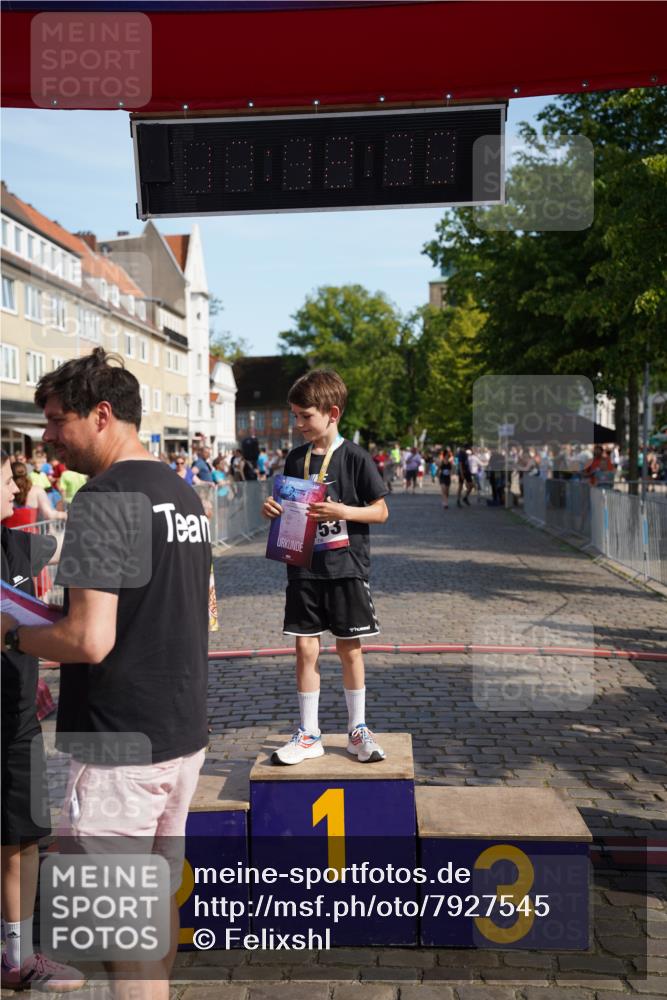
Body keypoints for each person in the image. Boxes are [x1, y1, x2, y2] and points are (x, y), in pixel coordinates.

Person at [0, 350, 211, 1000]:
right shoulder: (183, 492)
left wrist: (11, 630)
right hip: (181, 734)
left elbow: (87, 639)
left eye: (58, 420)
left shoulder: (104, 499)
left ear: (102, 413)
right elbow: (199, 608)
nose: (48, 438)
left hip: (119, 740)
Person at [262, 369, 389, 766]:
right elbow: (292, 506)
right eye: (295, 416)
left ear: (332, 413)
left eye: (305, 416)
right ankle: (309, 733)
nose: (298, 424)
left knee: (349, 649)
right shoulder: (295, 458)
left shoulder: (355, 457)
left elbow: (381, 511)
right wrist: (274, 510)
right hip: (302, 565)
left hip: (346, 566)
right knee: (304, 648)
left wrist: (341, 510)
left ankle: (357, 730)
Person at [1, 451, 83, 993]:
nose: (15, 483)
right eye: (5, 477)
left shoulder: (19, 545)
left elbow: (74, 540)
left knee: (25, 835)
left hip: (18, 719)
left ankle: (18, 956)